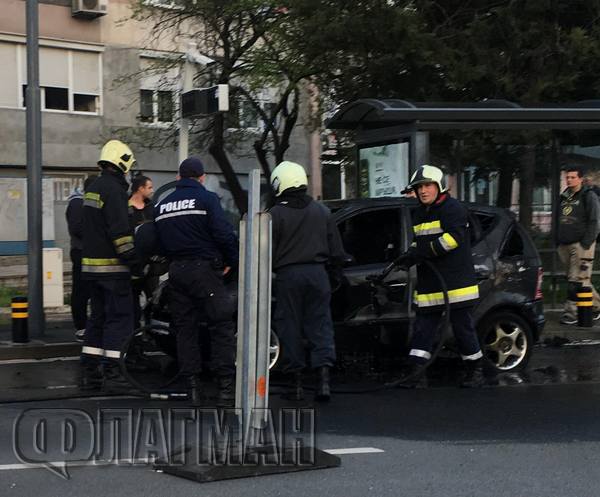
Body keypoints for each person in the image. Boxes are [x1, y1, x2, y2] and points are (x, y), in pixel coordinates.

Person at [154, 157, 238, 406]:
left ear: (179, 178)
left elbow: (158, 242)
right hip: (204, 270)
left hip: (177, 272)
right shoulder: (207, 199)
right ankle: (225, 388)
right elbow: (223, 234)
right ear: (201, 177)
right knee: (221, 325)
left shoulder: (162, 206)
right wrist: (233, 260)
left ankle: (192, 387)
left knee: (185, 329)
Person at [394, 165, 484, 388]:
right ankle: (415, 370)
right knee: (423, 328)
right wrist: (410, 256)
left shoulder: (452, 209)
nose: (423, 191)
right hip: (430, 282)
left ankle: (475, 370)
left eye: (427, 186)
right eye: (419, 187)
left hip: (455, 283)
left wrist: (424, 252)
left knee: (462, 328)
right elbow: (419, 242)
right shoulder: (419, 213)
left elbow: (453, 239)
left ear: (439, 186)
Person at [269, 161, 346, 401]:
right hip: (318, 274)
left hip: (288, 277)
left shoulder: (274, 214)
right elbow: (337, 250)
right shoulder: (322, 211)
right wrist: (334, 274)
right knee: (320, 325)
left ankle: (296, 384)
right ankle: (323, 381)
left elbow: (266, 251)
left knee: (289, 326)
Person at [80, 140, 139, 392]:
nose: (129, 172)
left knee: (97, 319)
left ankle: (90, 371)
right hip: (113, 271)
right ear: (121, 162)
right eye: (128, 167)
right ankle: (114, 372)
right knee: (120, 319)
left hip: (91, 270)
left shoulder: (93, 187)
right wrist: (135, 262)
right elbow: (120, 235)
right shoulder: (115, 191)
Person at [557, 166, 600, 325]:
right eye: (567, 177)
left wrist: (586, 243)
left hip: (581, 244)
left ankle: (571, 312)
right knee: (580, 279)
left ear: (580, 179)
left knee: (576, 279)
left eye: (573, 177)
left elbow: (595, 221)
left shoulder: (588, 196)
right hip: (564, 244)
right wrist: (557, 241)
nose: (569, 180)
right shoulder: (564, 196)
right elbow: (558, 218)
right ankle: (596, 306)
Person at [66, 175, 96, 341]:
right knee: (81, 291)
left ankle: (87, 325)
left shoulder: (81, 202)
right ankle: (81, 326)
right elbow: (77, 227)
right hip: (81, 251)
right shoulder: (78, 203)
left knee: (89, 290)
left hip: (86, 251)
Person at [128, 175, 156, 328]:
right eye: (149, 187)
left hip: (151, 263)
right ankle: (136, 331)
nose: (152, 191)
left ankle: (152, 328)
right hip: (134, 261)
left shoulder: (152, 207)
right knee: (133, 298)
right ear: (140, 188)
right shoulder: (126, 208)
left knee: (153, 297)